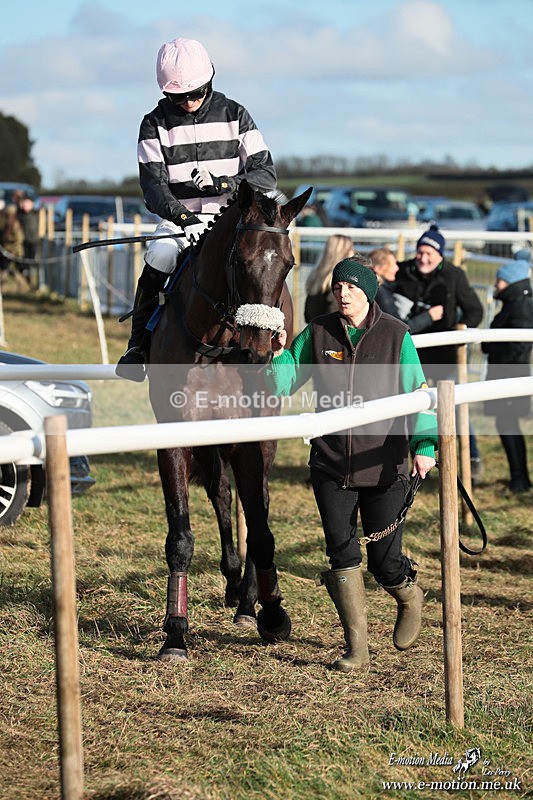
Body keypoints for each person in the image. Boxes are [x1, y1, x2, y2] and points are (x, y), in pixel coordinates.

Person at [268, 255, 438, 672]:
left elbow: (420, 393)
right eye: (338, 287)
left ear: (368, 291)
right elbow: (285, 384)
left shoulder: (397, 335)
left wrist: (425, 446)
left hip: (385, 465)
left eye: (351, 287)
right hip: (330, 464)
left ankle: (408, 594)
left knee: (383, 561)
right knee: (341, 554)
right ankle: (356, 650)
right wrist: (278, 356)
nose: (342, 293)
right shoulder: (318, 331)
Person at [116, 37, 277, 382]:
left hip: (233, 220)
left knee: (264, 262)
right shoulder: (153, 124)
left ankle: (278, 342)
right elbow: (153, 186)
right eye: (179, 97)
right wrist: (182, 215)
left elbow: (266, 174)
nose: (189, 103)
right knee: (159, 256)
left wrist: (224, 184)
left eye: (196, 93)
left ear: (210, 81)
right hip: (180, 221)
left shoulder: (236, 114)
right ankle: (137, 345)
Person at [394, 224, 484, 479]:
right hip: (413, 356)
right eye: (420, 252)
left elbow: (475, 310)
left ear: (440, 255)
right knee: (412, 406)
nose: (423, 258)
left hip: (446, 356)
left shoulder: (454, 276)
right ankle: (410, 462)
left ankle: (471, 458)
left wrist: (460, 333)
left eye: (429, 254)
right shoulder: (403, 271)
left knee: (452, 407)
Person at [482, 259, 532, 493]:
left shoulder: (521, 306)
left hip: (509, 376)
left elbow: (519, 345)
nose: (496, 285)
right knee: (507, 424)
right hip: (508, 375)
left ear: (511, 282)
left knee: (508, 424)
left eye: (499, 280)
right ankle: (519, 477)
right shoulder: (515, 304)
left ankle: (520, 479)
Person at [369, 247, 444, 334]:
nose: (397, 268)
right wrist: (429, 316)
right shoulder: (381, 293)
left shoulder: (376, 289)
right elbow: (398, 329)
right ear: (378, 269)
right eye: (393, 264)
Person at [304, 234, 354, 322]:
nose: (353, 252)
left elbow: (307, 315)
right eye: (351, 249)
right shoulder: (339, 283)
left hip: (314, 331)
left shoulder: (315, 278)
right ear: (344, 252)